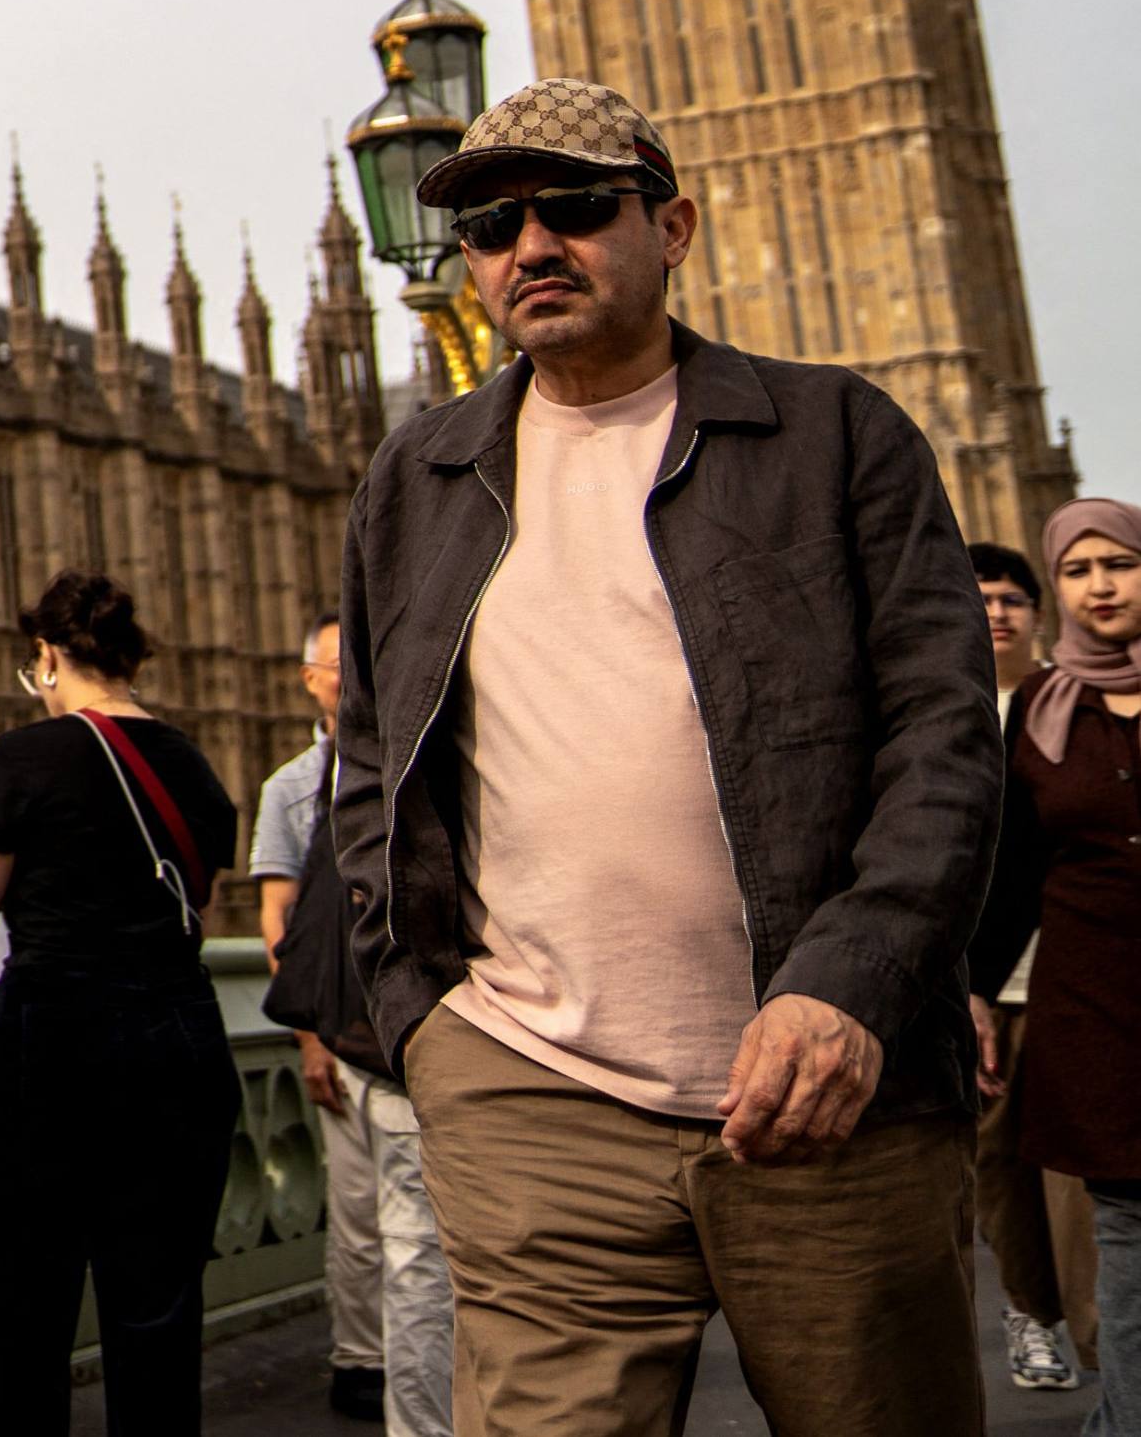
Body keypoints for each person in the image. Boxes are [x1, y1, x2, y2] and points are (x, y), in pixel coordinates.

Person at [329, 78, 999, 1437]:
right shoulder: (418, 474)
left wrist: (850, 987)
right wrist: (426, 1019)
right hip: (527, 1095)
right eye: (485, 226)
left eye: (572, 208)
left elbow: (940, 742)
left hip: (829, 1092)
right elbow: (367, 757)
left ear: (670, 223)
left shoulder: (832, 435)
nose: (527, 246)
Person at [0, 569, 241, 1436]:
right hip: (179, 1038)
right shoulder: (193, 764)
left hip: (52, 1044)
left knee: (16, 1308)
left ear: (45, 658)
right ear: (130, 660)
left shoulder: (25, 755)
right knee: (156, 1308)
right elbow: (198, 911)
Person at [254, 612, 449, 1437]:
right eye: (337, 665)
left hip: (408, 1035)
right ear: (310, 679)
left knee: (408, 1234)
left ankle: (392, 1381)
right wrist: (308, 1038)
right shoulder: (294, 786)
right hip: (350, 1035)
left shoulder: (409, 758)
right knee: (374, 1226)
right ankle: (366, 1366)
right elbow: (281, 929)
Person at [972, 497, 1141, 1436]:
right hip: (1095, 1009)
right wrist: (973, 988)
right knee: (1121, 1240)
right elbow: (1014, 864)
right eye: (1077, 571)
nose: (1100, 586)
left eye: (1118, 564)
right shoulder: (1042, 704)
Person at [969, 536, 1094, 1390]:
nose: (997, 612)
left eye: (1012, 597)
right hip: (982, 978)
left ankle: (1097, 1338)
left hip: (1072, 975)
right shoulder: (942, 710)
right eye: (981, 598)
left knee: (1084, 1177)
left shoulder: (1074, 705)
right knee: (996, 1160)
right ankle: (1029, 1312)